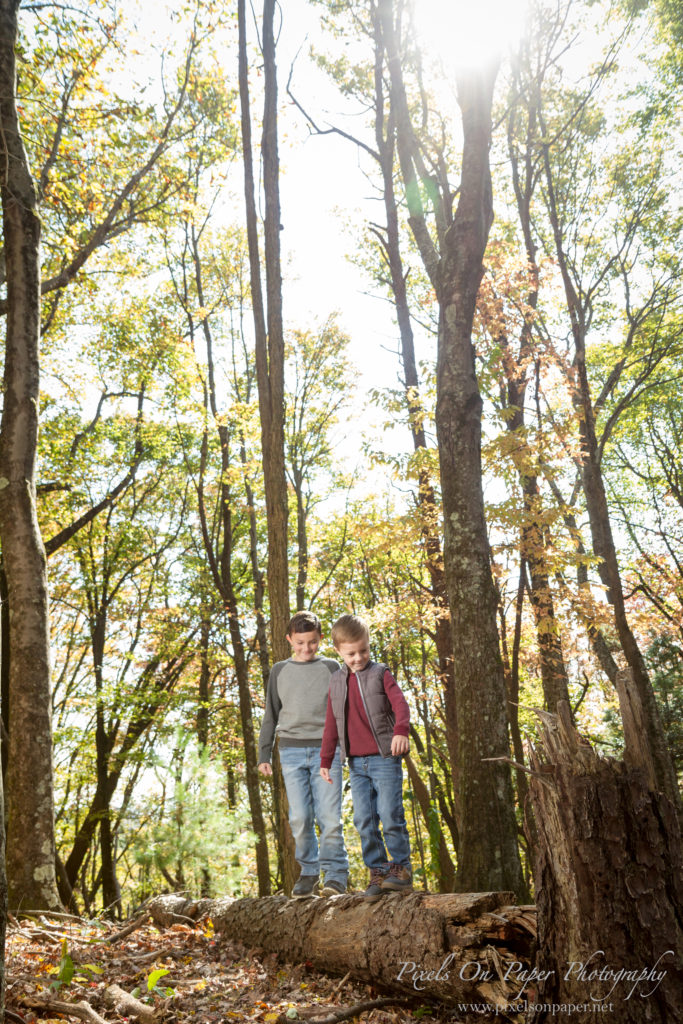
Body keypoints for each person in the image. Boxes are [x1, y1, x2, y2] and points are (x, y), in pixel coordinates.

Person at [320, 613, 413, 901]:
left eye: (363, 650)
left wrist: (401, 731)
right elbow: (331, 724)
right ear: (338, 651)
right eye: (351, 653)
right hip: (356, 764)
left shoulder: (380, 673)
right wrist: (325, 760)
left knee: (390, 813)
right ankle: (378, 871)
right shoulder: (336, 682)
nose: (358, 657)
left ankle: (401, 871)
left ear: (369, 646)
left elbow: (401, 704)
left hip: (385, 757)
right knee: (364, 819)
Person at [258, 610, 348, 899]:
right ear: (289, 640)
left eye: (311, 642)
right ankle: (308, 872)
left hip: (327, 751)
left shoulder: (333, 668)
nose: (306, 648)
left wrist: (346, 749)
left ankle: (335, 876)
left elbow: (343, 712)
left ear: (320, 639)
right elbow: (270, 714)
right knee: (300, 817)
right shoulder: (279, 671)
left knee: (330, 817)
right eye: (299, 643)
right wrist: (264, 754)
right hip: (291, 752)